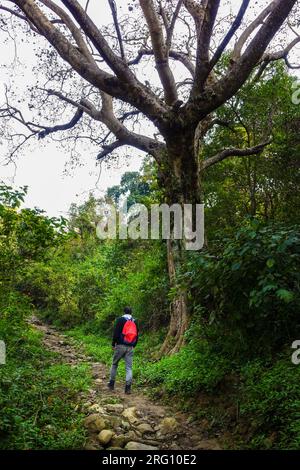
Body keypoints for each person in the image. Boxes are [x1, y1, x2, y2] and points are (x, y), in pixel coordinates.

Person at [108, 307, 139, 394]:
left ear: (124, 311)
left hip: (120, 345)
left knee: (114, 364)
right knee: (129, 368)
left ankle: (111, 384)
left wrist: (113, 344)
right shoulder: (135, 321)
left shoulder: (120, 320)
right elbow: (137, 334)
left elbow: (116, 333)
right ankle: (128, 388)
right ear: (131, 312)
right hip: (130, 347)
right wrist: (134, 345)